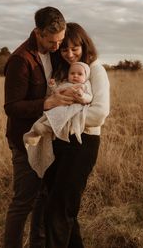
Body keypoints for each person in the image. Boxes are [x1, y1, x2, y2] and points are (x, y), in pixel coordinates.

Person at [3, 6, 73, 248]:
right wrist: (47, 103)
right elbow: (12, 107)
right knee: (23, 202)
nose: (57, 46)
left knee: (44, 198)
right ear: (37, 33)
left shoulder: (55, 54)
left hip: (48, 138)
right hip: (25, 140)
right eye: (52, 41)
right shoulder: (20, 60)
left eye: (61, 40)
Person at [43, 22, 110, 248]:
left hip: (83, 143)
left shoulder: (96, 69)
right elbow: (50, 104)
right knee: (64, 209)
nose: (70, 54)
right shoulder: (61, 71)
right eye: (64, 49)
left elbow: (99, 113)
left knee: (58, 211)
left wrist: (62, 119)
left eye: (75, 48)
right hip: (58, 143)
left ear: (84, 45)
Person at [23, 61, 93, 178]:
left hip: (71, 108)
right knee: (47, 115)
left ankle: (44, 129)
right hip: (59, 106)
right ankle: (34, 133)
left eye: (79, 74)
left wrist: (81, 95)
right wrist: (52, 86)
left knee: (59, 115)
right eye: (72, 73)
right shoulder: (65, 83)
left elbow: (89, 97)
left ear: (86, 76)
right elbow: (56, 91)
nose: (75, 76)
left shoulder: (84, 86)